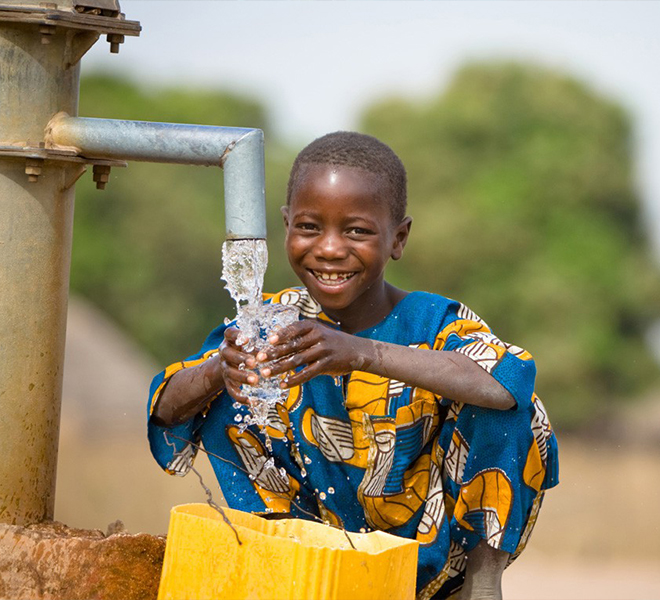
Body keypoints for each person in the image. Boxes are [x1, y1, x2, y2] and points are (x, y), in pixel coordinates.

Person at [147, 131, 559, 600]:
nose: (328, 249)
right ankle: (272, 556)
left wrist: (361, 353)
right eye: (308, 227)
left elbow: (509, 380)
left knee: (509, 408)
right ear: (285, 226)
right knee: (225, 393)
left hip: (428, 553)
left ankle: (482, 586)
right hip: (312, 548)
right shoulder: (273, 319)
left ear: (398, 238)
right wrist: (220, 371)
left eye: (357, 231)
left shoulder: (433, 321)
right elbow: (164, 407)